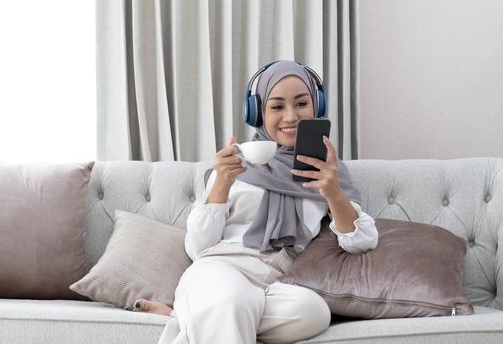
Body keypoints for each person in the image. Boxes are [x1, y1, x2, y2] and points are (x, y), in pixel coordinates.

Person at [135, 60, 378, 343]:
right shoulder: (235, 165)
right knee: (231, 300)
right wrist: (222, 183)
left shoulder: (327, 170)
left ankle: (187, 315)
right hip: (221, 268)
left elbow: (363, 242)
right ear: (257, 113)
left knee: (314, 312)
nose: (291, 116)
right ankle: (203, 307)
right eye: (277, 106)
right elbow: (198, 247)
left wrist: (333, 192)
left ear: (317, 106)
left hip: (278, 281)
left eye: (301, 104)